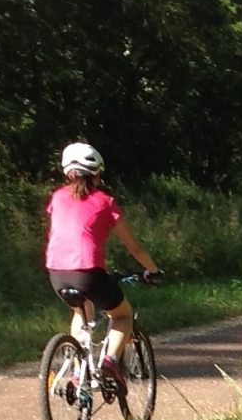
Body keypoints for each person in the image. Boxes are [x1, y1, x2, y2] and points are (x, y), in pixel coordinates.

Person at [45, 142, 161, 392]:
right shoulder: (104, 201)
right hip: (89, 274)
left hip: (56, 273)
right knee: (122, 315)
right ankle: (109, 362)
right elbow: (134, 247)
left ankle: (78, 372)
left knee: (80, 311)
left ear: (68, 173)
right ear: (96, 174)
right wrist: (152, 270)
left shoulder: (57, 197)